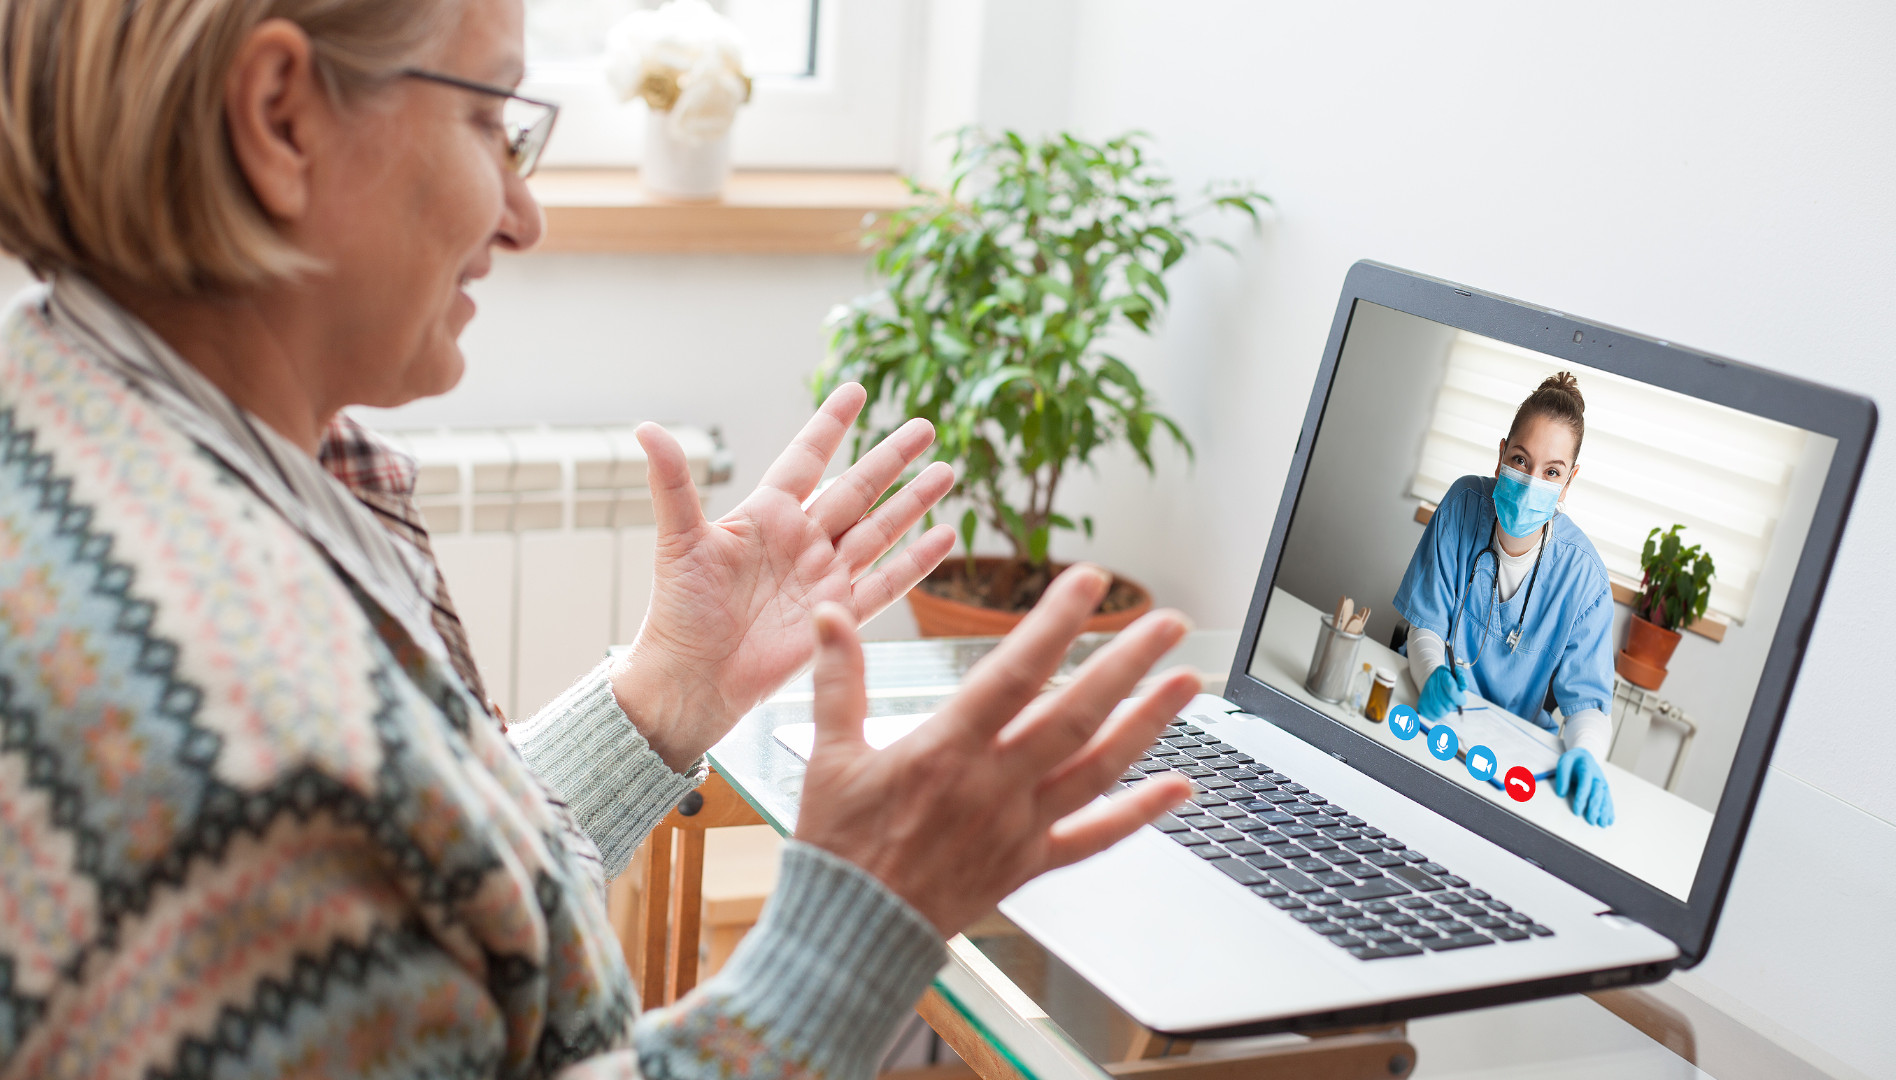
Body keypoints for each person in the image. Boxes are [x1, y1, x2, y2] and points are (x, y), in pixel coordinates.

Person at [0, 0, 1202, 1076]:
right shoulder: (243, 746)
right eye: (494, 126)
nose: (523, 215)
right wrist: (858, 928)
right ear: (280, 118)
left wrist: (666, 695)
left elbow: (418, 904)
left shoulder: (75, 402)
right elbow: (333, 828)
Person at [1392, 373, 1617, 826]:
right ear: (1500, 456)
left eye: (1551, 472)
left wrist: (1588, 753)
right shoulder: (1462, 505)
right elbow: (1427, 626)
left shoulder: (1584, 580)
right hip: (1429, 719)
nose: (1532, 482)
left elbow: (1586, 704)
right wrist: (1432, 672)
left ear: (1568, 482)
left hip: (1503, 758)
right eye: (1520, 460)